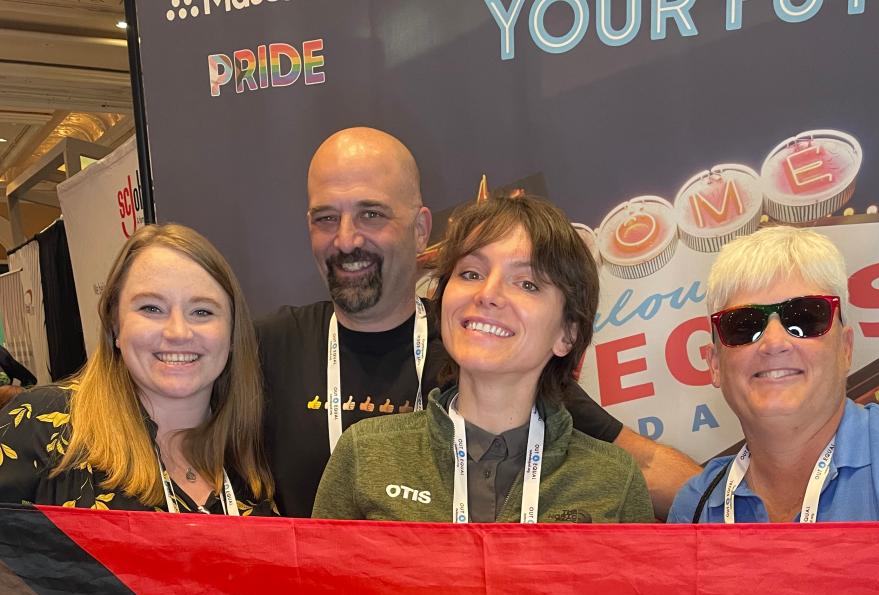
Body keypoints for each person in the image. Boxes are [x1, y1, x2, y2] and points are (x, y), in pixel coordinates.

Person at [257, 126, 699, 518]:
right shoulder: (270, 350)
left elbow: (639, 465)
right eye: (326, 217)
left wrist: (748, 514)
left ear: (420, 229)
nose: (347, 237)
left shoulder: (504, 350)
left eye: (372, 214)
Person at [313, 195, 653, 522]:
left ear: (567, 334)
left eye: (527, 283)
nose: (488, 294)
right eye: (471, 273)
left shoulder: (614, 481)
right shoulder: (366, 454)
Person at [668, 226, 879, 523]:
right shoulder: (695, 507)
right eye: (744, 325)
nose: (775, 343)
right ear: (714, 364)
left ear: (845, 348)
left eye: (805, 318)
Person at [0, 224, 274, 514]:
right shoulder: (42, 427)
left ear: (232, 333)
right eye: (151, 308)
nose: (178, 332)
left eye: (202, 311)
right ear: (115, 324)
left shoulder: (254, 450)